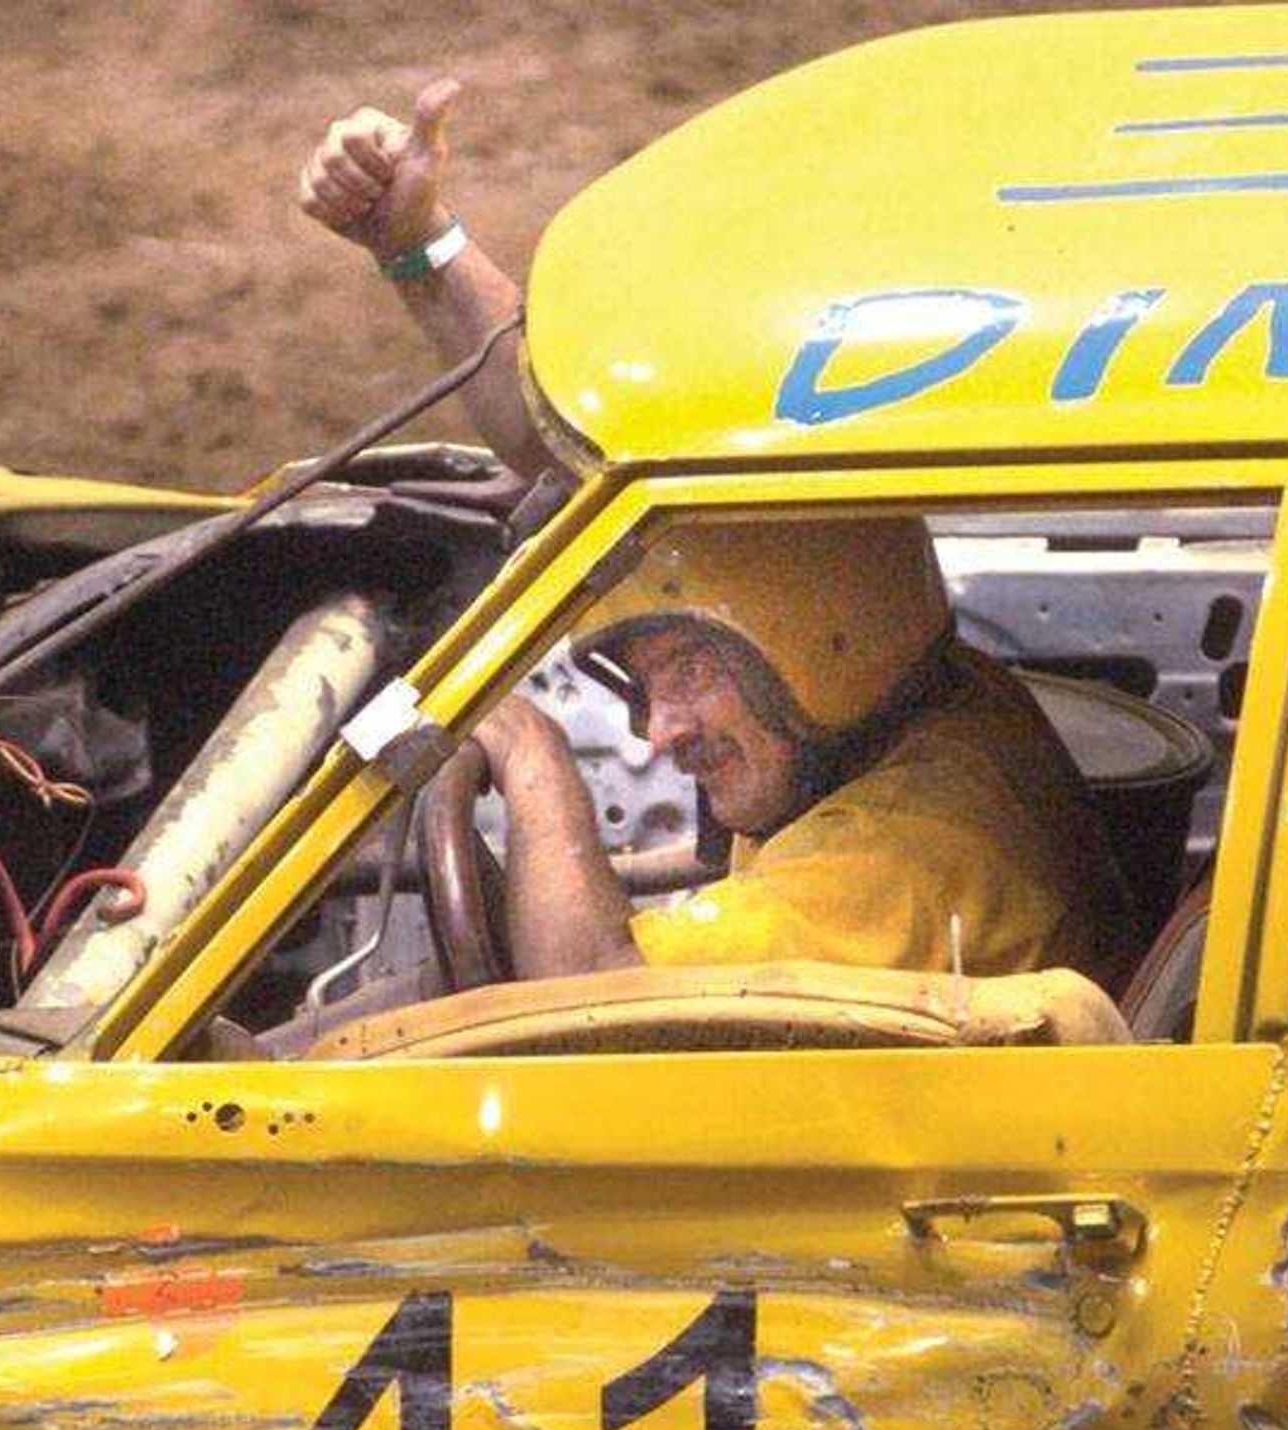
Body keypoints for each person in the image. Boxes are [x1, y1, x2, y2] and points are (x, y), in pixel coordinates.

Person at [297, 83, 1137, 990]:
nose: (658, 733)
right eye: (648, 683)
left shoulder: (902, 866)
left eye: (691, 668)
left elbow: (591, 1007)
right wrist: (416, 243)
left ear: (822, 636)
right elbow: (573, 450)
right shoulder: (907, 702)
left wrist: (532, 757)